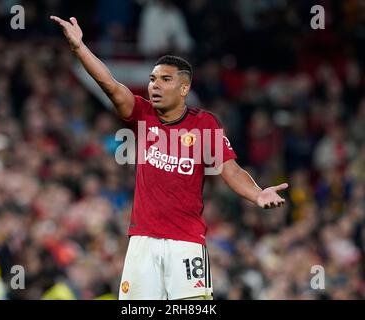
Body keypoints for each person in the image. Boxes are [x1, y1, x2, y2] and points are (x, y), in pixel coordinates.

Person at [50, 15, 288, 300]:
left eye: (165, 79)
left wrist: (257, 194)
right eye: (152, 80)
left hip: (186, 243)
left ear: (184, 88)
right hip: (143, 242)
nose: (155, 86)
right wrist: (79, 47)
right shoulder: (142, 114)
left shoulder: (204, 124)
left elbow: (230, 169)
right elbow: (109, 84)